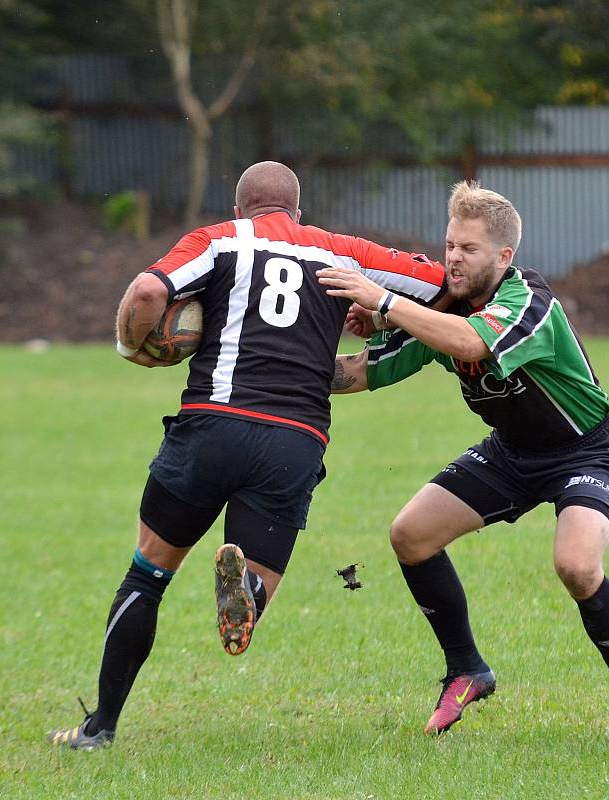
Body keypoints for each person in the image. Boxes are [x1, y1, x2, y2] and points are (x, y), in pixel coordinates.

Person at [47, 161, 447, 750]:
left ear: (240, 210)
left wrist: (132, 345)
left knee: (148, 572)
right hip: (294, 440)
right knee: (257, 591)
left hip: (212, 426)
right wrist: (379, 317)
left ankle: (99, 727)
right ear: (298, 214)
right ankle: (248, 596)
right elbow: (442, 287)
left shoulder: (218, 240)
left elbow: (150, 291)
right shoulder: (343, 250)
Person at [318, 180, 609, 751]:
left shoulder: (531, 302)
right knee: (411, 535)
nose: (453, 257)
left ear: (505, 256)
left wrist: (384, 302)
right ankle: (467, 669)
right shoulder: (441, 311)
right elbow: (362, 372)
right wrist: (276, 369)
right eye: (450, 244)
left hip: (585, 449)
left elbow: (472, 344)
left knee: (576, 567)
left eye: (468, 249)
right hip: (510, 452)